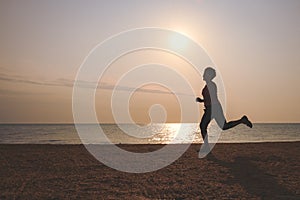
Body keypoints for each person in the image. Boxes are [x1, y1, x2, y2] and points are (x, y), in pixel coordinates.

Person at [196, 67, 252, 146]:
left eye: (205, 73)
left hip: (213, 108)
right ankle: (242, 120)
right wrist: (201, 100)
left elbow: (212, 98)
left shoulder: (211, 85)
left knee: (203, 126)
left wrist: (203, 101)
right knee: (224, 126)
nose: (203, 75)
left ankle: (206, 147)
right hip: (213, 108)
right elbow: (209, 98)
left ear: (209, 75)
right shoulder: (209, 85)